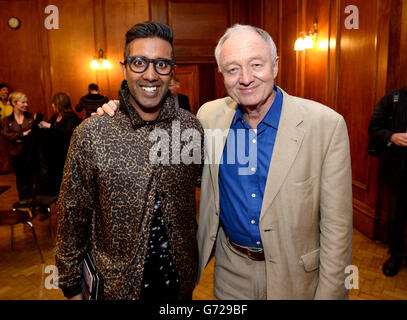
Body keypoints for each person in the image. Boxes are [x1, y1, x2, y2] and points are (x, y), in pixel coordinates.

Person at [98, 24, 353, 300]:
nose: (245, 78)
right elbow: (164, 153)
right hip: (231, 272)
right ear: (222, 75)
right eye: (232, 69)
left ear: (275, 65)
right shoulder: (209, 118)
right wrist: (118, 111)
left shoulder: (326, 126)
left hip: (296, 275)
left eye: (256, 64)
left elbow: (337, 229)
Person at [56, 22, 204, 300]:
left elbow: (213, 191)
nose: (150, 75)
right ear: (124, 67)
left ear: (172, 70)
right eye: (139, 63)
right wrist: (72, 285)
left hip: (179, 285)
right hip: (115, 287)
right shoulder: (93, 133)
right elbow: (71, 215)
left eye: (161, 64)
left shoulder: (190, 129)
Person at [368, 85, 407, 277]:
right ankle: (397, 256)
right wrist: (392, 136)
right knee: (396, 218)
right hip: (398, 172)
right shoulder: (393, 99)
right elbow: (374, 128)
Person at [38, 93, 81, 195]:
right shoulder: (56, 116)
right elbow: (50, 128)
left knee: (64, 179)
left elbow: (69, 133)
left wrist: (50, 127)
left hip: (65, 153)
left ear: (59, 103)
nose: (52, 105)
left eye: (53, 103)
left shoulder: (71, 117)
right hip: (55, 153)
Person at [1, 92, 34, 200]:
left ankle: (32, 201)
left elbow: (33, 133)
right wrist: (21, 135)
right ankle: (22, 201)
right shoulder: (7, 120)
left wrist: (20, 137)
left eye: (26, 102)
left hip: (30, 152)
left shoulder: (30, 117)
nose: (26, 104)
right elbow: (6, 134)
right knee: (20, 178)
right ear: (14, 103)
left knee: (31, 177)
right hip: (16, 153)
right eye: (23, 102)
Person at [0, 84, 13, 173]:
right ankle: (4, 168)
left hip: (9, 128)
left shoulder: (10, 102)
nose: (6, 91)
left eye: (7, 90)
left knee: (8, 148)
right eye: (4, 90)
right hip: (0, 127)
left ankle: (8, 168)